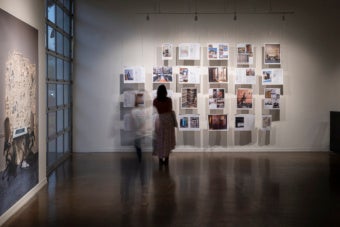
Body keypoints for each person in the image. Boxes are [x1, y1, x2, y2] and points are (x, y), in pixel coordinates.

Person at [153, 85, 176, 167]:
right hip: (168, 121)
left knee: (159, 140)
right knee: (167, 140)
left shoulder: (155, 101)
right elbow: (170, 109)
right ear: (165, 92)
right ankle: (166, 159)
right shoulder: (169, 100)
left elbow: (155, 111)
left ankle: (160, 159)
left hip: (159, 121)